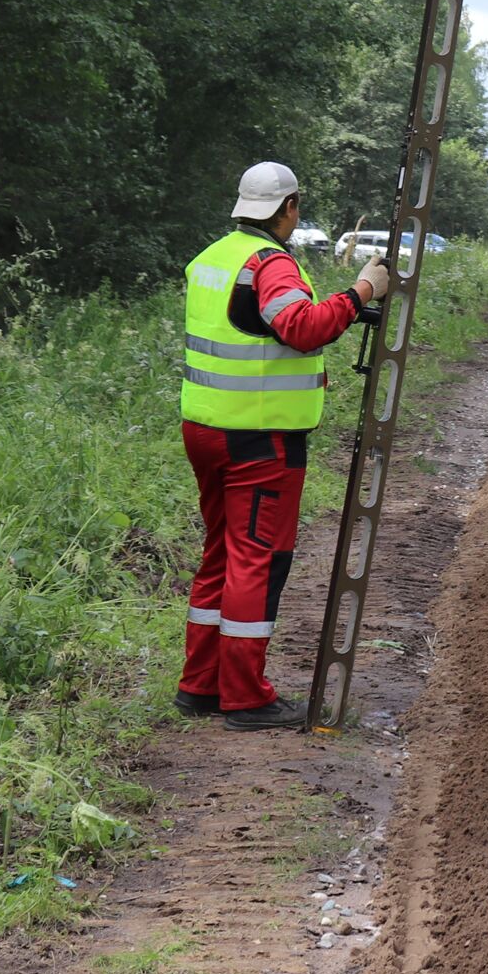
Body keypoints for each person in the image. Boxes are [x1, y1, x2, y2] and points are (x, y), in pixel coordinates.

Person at [177, 162, 390, 730]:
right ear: (289, 207)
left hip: (205, 428)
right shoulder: (270, 264)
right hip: (259, 437)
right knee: (258, 558)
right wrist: (362, 290)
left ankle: (200, 686)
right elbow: (300, 326)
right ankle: (245, 697)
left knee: (221, 551)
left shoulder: (213, 258)